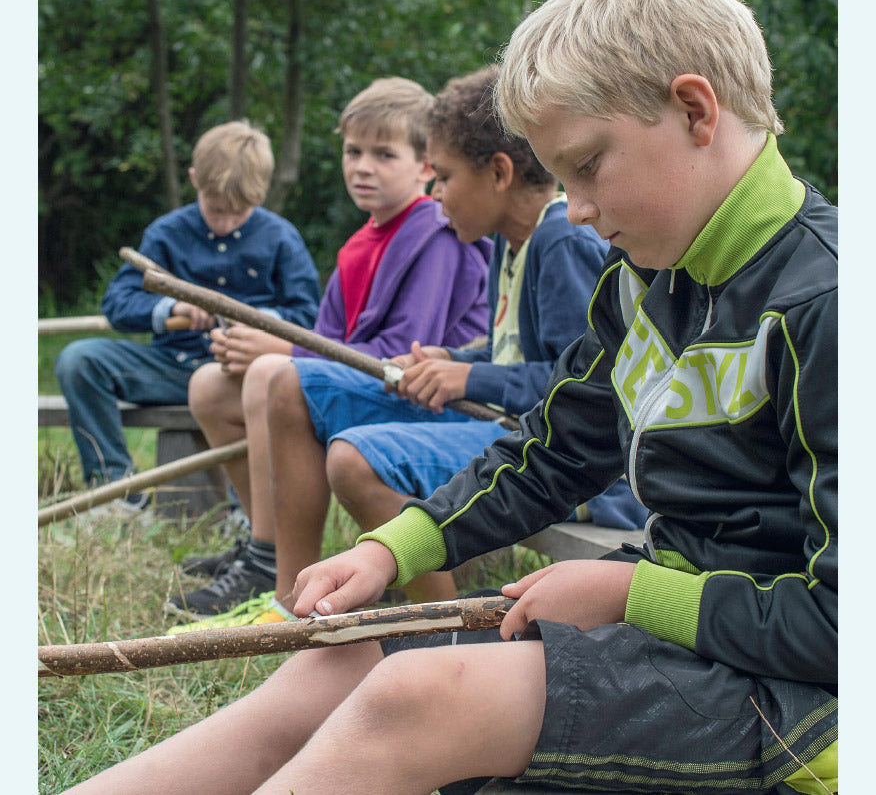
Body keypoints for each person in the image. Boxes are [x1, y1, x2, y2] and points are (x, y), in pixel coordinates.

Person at [66, 0, 837, 795]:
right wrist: (392, 548)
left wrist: (630, 593)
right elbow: (552, 453)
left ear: (695, 109)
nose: (573, 209)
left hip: (800, 704)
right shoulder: (642, 284)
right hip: (682, 637)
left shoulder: (827, 302)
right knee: (349, 657)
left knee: (416, 695)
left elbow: (843, 624)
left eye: (584, 166)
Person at [169, 65, 644, 633]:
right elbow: (512, 352)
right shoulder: (511, 244)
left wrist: (470, 380)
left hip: (558, 459)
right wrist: (457, 361)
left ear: (497, 174)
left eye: (442, 177)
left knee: (351, 454)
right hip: (506, 425)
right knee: (295, 390)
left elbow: (580, 386)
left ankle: (442, 627)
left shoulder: (559, 239)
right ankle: (285, 587)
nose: (436, 194)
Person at [166, 76, 492, 618]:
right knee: (210, 386)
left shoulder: (437, 235)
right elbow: (333, 343)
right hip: (368, 387)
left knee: (275, 373)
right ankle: (260, 544)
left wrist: (284, 348)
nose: (362, 166)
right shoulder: (359, 243)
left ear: (425, 165)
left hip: (432, 404)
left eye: (383, 154)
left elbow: (397, 354)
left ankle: (278, 569)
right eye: (353, 151)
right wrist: (282, 351)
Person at [54, 120, 321, 514]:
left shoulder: (281, 237)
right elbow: (118, 302)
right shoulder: (167, 233)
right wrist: (172, 308)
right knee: (79, 360)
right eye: (216, 208)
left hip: (239, 377)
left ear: (259, 193)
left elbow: (309, 317)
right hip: (170, 367)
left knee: (268, 384)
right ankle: (116, 496)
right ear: (195, 179)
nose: (226, 221)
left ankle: (246, 514)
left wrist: (256, 321)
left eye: (239, 212)